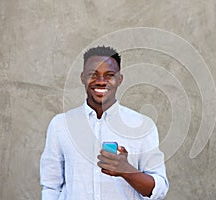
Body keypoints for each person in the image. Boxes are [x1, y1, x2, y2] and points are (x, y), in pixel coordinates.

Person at [40, 46, 169, 200]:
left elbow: (159, 189)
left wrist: (126, 170)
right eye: (93, 74)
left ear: (119, 79)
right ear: (82, 78)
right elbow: (51, 186)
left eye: (109, 75)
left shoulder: (142, 126)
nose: (101, 81)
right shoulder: (60, 125)